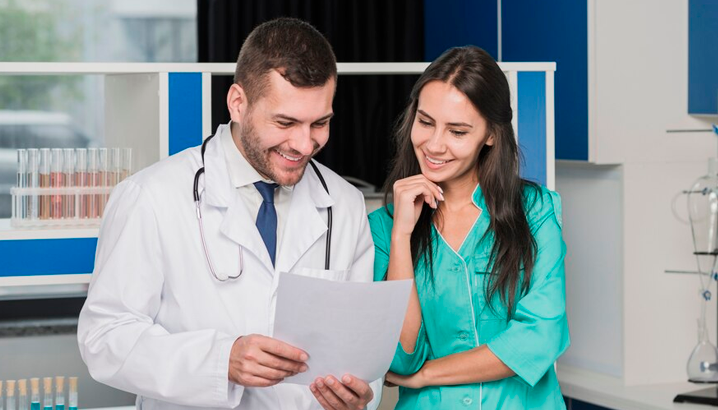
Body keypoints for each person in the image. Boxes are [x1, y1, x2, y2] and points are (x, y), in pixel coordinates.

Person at [78, 17, 380, 410]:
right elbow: (104, 338)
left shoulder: (344, 204)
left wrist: (359, 397)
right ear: (238, 103)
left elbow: (358, 346)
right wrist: (221, 361)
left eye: (319, 123)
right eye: (285, 122)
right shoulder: (151, 197)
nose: (305, 144)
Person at [368, 46, 569, 409]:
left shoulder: (535, 211)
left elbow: (540, 338)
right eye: (425, 122)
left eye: (457, 132)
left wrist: (428, 375)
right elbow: (401, 359)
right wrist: (401, 236)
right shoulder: (383, 229)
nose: (433, 144)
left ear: (490, 135)